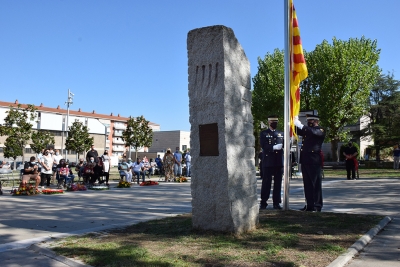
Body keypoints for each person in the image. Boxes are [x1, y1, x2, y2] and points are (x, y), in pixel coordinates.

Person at [294, 114, 326, 212]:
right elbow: (298, 131)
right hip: (305, 159)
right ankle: (310, 205)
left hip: (314, 160)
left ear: (316, 121)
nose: (309, 122)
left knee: (315, 184)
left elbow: (313, 132)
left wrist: (301, 125)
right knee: (307, 184)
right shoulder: (308, 131)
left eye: (311, 121)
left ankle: (317, 205)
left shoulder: (320, 130)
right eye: (308, 121)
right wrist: (293, 123)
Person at [259, 115, 284, 210]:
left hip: (278, 161)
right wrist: (273, 147)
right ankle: (263, 201)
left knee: (278, 183)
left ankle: (276, 202)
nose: (274, 124)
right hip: (268, 161)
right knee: (266, 182)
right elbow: (264, 145)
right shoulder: (264, 133)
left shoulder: (281, 133)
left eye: (276, 122)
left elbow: (286, 145)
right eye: (272, 122)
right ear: (269, 122)